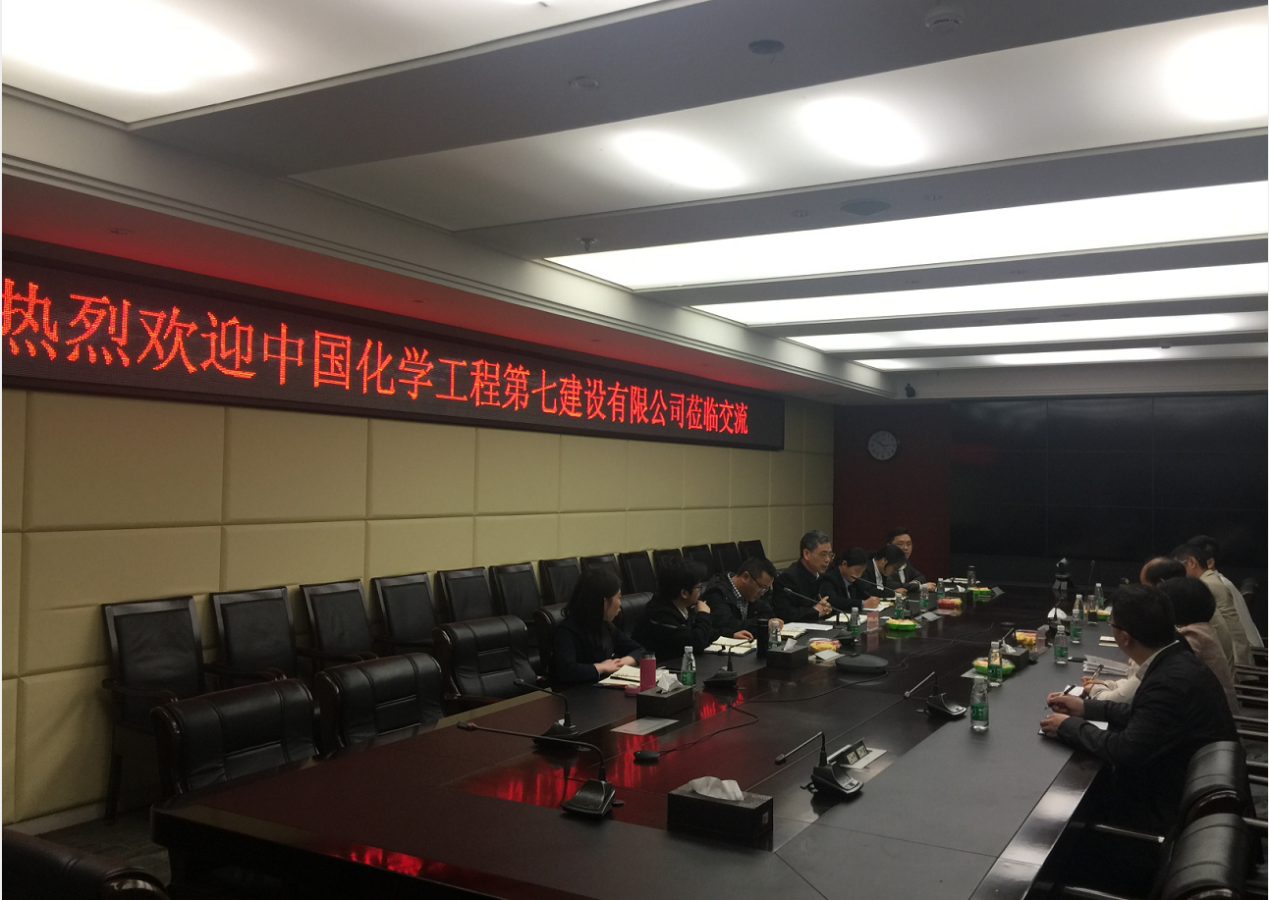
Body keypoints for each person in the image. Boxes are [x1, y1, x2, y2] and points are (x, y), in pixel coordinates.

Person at [1041, 584, 1239, 830]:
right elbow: (1146, 715)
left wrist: (1069, 727)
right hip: (1187, 784)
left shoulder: (1168, 682)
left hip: (1166, 812)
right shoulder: (1177, 659)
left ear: (1124, 637)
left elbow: (1124, 750)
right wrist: (1085, 708)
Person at [1157, 575, 1238, 713]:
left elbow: (1159, 668)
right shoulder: (1203, 628)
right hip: (1208, 710)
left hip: (1210, 716)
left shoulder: (1193, 635)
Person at [552, 568, 643, 684]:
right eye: (618, 597)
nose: (620, 603)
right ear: (604, 603)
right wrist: (601, 667)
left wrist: (625, 661)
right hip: (574, 692)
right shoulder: (567, 631)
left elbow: (639, 650)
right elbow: (567, 671)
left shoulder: (606, 627)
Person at [1172, 543, 1246, 667]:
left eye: (1177, 568)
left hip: (1237, 663)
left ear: (1191, 562)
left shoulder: (1205, 586)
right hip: (1236, 655)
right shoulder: (1212, 579)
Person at [632, 556, 717, 661]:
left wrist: (730, 634)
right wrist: (703, 614)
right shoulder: (660, 615)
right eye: (698, 587)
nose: (700, 591)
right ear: (684, 593)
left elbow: (706, 633)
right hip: (658, 668)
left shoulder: (684, 606)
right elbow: (695, 645)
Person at [1188, 533, 1263, 651]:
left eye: (1191, 562)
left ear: (1210, 563)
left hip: (1248, 654)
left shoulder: (1212, 585)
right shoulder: (1219, 580)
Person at [705, 557, 781, 640]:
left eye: (765, 589)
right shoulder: (717, 593)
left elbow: (768, 615)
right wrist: (761, 625)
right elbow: (727, 625)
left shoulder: (753, 593)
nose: (762, 592)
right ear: (745, 577)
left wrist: (766, 623)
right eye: (761, 587)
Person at [772, 530, 835, 623]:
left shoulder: (823, 575)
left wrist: (825, 608)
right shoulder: (789, 578)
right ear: (806, 554)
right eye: (823, 554)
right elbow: (785, 614)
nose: (827, 560)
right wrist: (815, 611)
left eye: (830, 555)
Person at [884, 527, 936, 593]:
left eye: (909, 544)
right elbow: (890, 584)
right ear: (889, 546)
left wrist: (914, 583)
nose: (906, 548)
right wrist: (920, 587)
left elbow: (920, 577)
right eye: (900, 544)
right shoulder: (884, 563)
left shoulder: (905, 562)